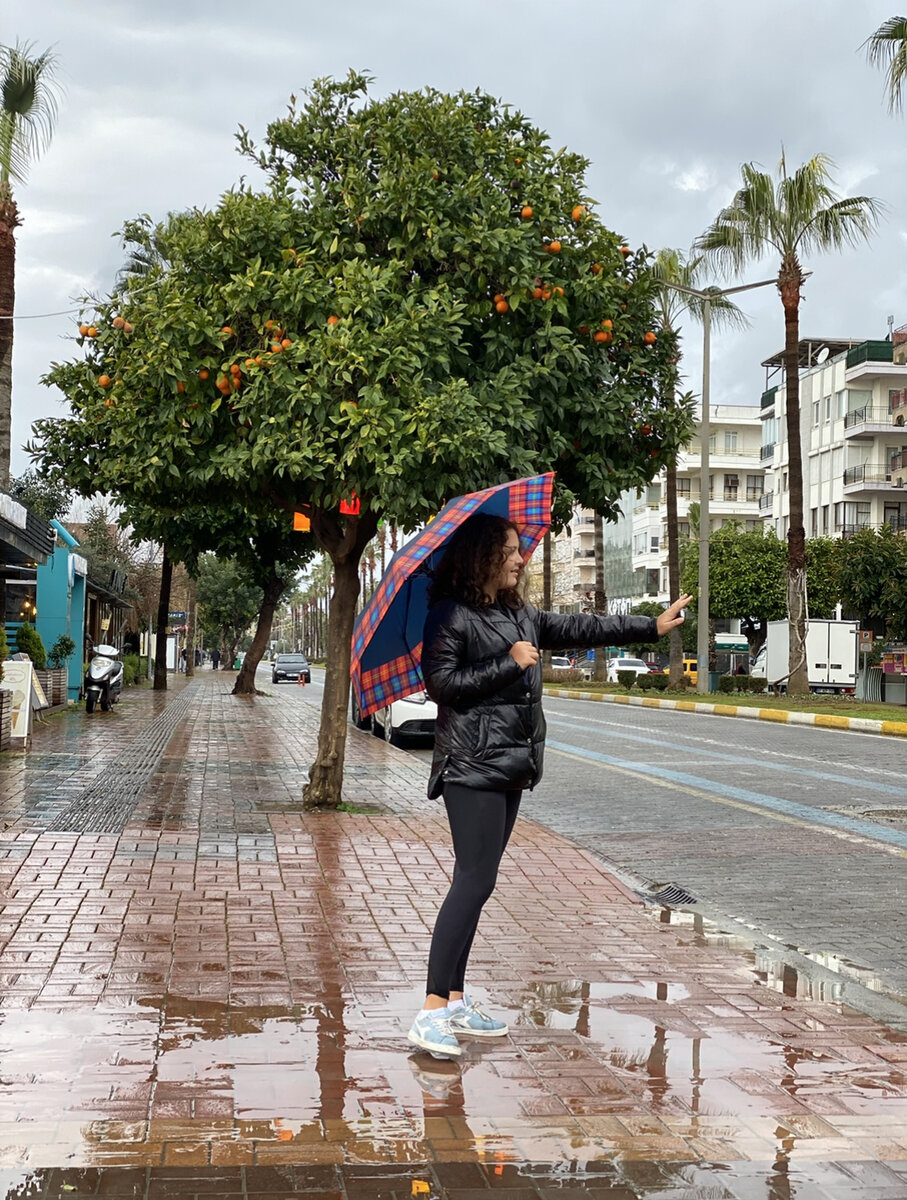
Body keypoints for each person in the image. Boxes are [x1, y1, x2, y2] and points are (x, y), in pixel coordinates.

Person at [407, 513, 690, 1059]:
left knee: (481, 883)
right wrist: (508, 664)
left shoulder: (520, 613)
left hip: (510, 765)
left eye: (519, 549)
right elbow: (442, 686)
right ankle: (430, 1010)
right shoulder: (451, 615)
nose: (520, 558)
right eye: (510, 550)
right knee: (470, 882)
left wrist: (649, 626)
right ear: (482, 556)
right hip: (470, 765)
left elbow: (582, 629)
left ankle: (456, 1000)